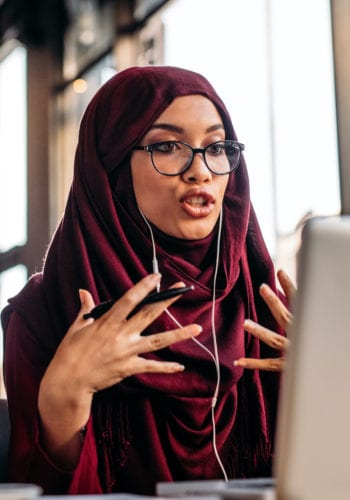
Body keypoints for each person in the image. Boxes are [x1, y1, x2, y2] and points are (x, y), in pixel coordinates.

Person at [1, 65, 294, 495]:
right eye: (168, 145)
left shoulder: (265, 304)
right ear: (111, 169)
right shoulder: (47, 313)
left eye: (216, 146)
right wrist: (63, 401)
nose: (201, 172)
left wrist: (329, 387)